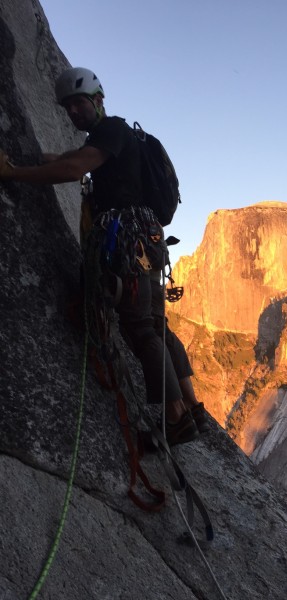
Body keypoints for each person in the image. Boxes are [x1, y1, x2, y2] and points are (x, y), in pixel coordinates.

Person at [0, 67, 209, 445]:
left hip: (128, 242)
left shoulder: (110, 131)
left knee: (140, 328)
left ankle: (176, 419)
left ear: (99, 100)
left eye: (79, 102)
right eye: (68, 107)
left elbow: (72, 167)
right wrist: (32, 154)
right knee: (158, 325)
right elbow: (71, 156)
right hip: (148, 241)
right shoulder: (117, 138)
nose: (74, 112)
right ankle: (192, 407)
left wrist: (15, 173)